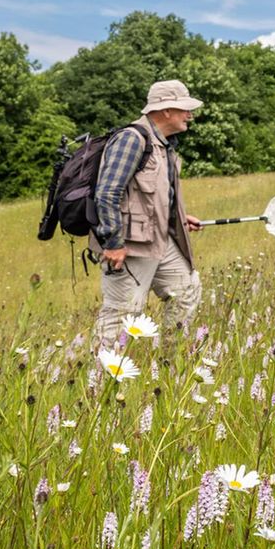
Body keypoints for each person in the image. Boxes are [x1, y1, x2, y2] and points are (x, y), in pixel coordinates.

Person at [91, 79, 205, 350]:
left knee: (186, 290)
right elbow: (107, 192)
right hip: (128, 245)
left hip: (159, 240)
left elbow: (150, 195)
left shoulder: (163, 144)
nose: (189, 115)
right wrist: (113, 243)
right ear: (165, 110)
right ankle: (97, 380)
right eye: (184, 109)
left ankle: (169, 360)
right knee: (123, 313)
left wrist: (177, 218)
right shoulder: (131, 139)